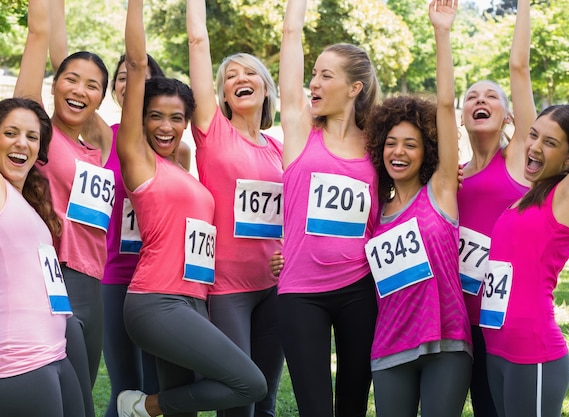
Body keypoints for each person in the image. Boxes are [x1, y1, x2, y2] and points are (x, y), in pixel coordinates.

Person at [115, 1, 267, 416]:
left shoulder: (181, 166)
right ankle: (142, 406)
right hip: (156, 300)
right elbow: (135, 59)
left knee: (181, 406)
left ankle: (152, 407)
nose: (165, 126)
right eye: (155, 117)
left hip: (195, 298)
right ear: (140, 120)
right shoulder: (138, 159)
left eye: (176, 118)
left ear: (186, 123)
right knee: (249, 383)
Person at [0, 1, 84, 415]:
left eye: (32, 137)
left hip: (54, 352)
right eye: (10, 133)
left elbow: (39, 34)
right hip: (19, 365)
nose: (22, 143)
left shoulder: (25, 199)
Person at [363, 2, 472, 416]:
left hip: (448, 343)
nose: (399, 151)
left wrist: (441, 33)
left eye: (410, 144)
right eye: (391, 143)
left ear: (427, 150)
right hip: (390, 346)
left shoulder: (441, 191)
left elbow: (445, 108)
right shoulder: (374, 212)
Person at [277, 0, 380, 415]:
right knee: (315, 409)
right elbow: (290, 37)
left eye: (325, 75)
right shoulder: (301, 128)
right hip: (301, 292)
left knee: (353, 405)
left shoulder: (379, 143)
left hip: (361, 288)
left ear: (354, 88)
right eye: (313, 73)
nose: (313, 83)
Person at [16, 0, 114, 415]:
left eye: (92, 85)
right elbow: (42, 39)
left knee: (83, 397)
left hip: (94, 279)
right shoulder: (35, 128)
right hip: (49, 272)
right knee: (59, 394)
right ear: (53, 84)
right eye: (70, 79)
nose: (80, 90)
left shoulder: (102, 143)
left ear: (101, 98)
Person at [187, 0, 284, 416]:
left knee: (266, 397)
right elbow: (197, 40)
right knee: (238, 396)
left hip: (274, 286)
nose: (239, 79)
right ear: (222, 93)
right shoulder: (213, 131)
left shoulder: (281, 148)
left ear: (265, 87)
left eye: (249, 73)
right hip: (227, 287)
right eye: (230, 76)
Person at [481, 71, 569, 415]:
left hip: (533, 354)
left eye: (550, 142)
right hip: (497, 350)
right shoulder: (526, 198)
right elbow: (518, 68)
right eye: (533, 135)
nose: (533, 146)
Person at [457, 2, 535, 415]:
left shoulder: (520, 155)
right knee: (484, 406)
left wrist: (523, 5)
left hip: (507, 315)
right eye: (472, 96)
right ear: (464, 114)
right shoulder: (452, 176)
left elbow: (518, 69)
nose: (480, 100)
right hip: (463, 318)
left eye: (491, 96)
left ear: (507, 115)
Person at [98, 53, 166, 417]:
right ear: (114, 90)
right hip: (113, 275)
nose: (130, 84)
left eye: (139, 76)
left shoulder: (172, 144)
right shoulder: (101, 137)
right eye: (122, 78)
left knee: (156, 390)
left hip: (158, 279)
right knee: (125, 387)